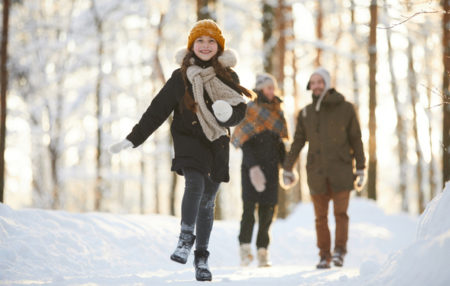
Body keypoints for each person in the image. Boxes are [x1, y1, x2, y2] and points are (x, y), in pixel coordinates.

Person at [109, 19, 252, 281]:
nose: (205, 46)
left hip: (217, 142)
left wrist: (228, 115)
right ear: (191, 45)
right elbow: (157, 110)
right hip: (189, 140)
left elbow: (239, 110)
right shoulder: (181, 77)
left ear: (218, 47)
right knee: (194, 182)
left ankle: (201, 258)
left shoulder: (228, 76)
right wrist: (134, 138)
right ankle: (185, 238)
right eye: (200, 41)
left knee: (208, 200)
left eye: (211, 41)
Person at [282, 67, 366, 269]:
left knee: (340, 215)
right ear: (310, 86)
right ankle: (324, 255)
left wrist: (361, 168)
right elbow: (298, 142)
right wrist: (287, 167)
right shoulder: (306, 113)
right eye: (313, 82)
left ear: (327, 84)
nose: (317, 85)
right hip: (316, 173)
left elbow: (356, 139)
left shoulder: (346, 108)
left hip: (342, 171)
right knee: (320, 218)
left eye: (320, 81)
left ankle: (339, 252)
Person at [231, 73, 288, 267]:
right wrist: (254, 168)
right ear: (260, 89)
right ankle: (245, 250)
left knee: (267, 213)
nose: (272, 91)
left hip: (272, 170)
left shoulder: (278, 111)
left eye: (273, 88)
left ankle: (263, 251)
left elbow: (280, 144)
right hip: (250, 169)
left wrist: (287, 167)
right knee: (248, 212)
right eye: (268, 88)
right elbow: (244, 143)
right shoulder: (250, 110)